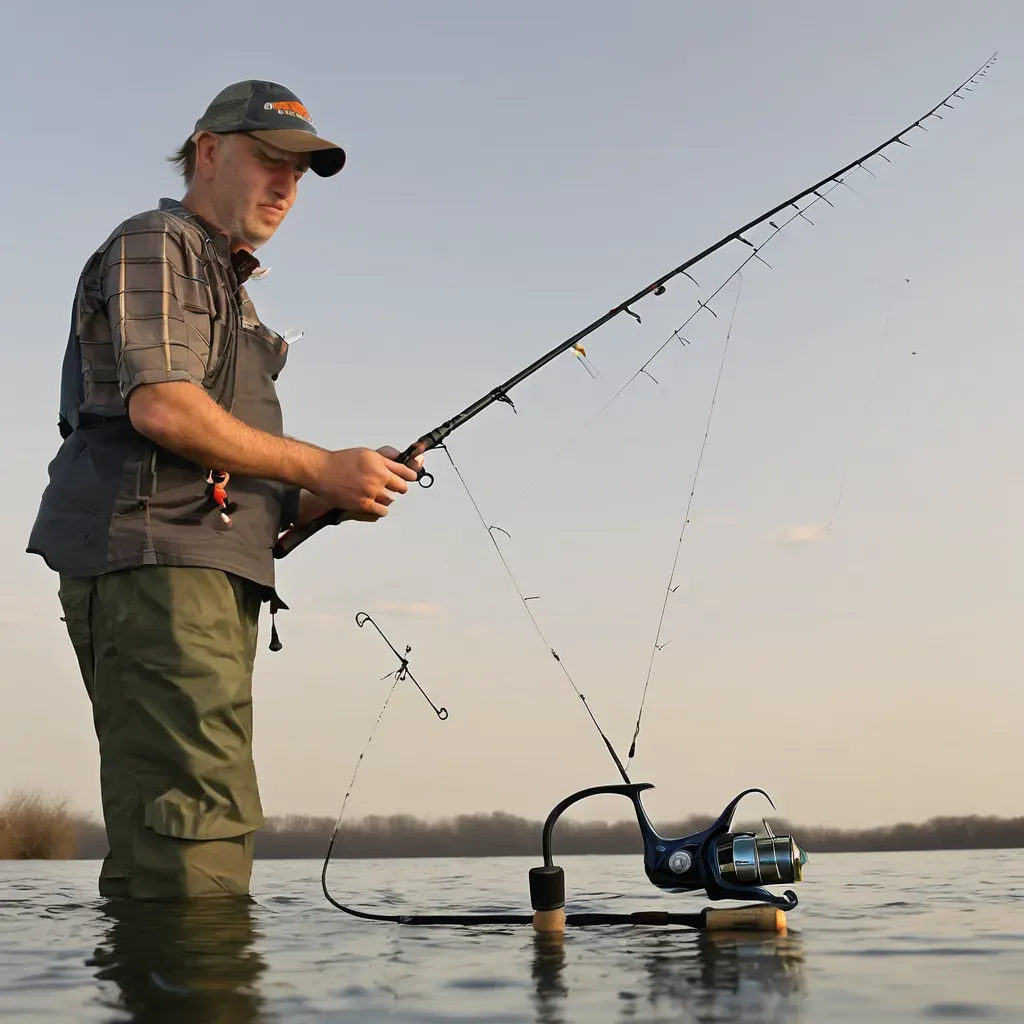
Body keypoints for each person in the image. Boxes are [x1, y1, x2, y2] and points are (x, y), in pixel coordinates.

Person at [26, 80, 422, 900]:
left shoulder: (225, 286)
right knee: (195, 817)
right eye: (269, 159)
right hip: (156, 569)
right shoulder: (157, 243)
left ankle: (173, 979)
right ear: (208, 151)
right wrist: (319, 465)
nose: (286, 185)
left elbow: (234, 480)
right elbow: (164, 407)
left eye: (301, 174)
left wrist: (331, 495)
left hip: (197, 577)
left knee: (187, 813)